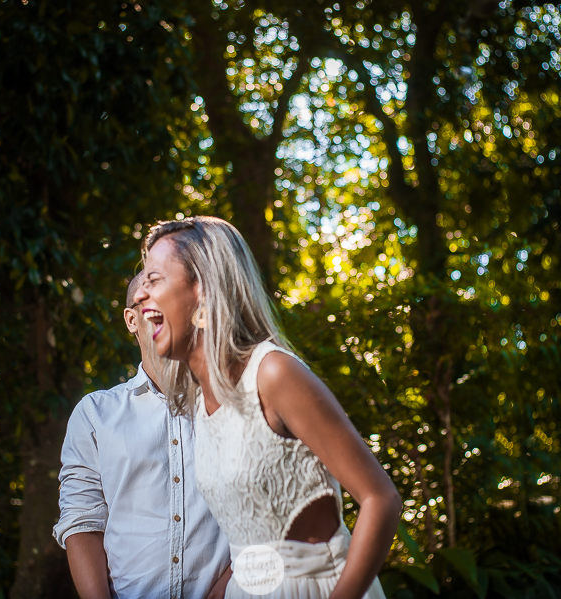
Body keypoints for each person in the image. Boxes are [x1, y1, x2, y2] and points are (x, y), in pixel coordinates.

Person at [133, 216, 401, 599]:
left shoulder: (274, 374)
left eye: (154, 279)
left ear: (203, 289)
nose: (140, 295)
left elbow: (381, 499)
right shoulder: (199, 401)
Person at [52, 271, 231, 599]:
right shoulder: (95, 413)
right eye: (155, 307)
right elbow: (81, 520)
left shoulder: (232, 407)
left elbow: (264, 510)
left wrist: (226, 588)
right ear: (131, 320)